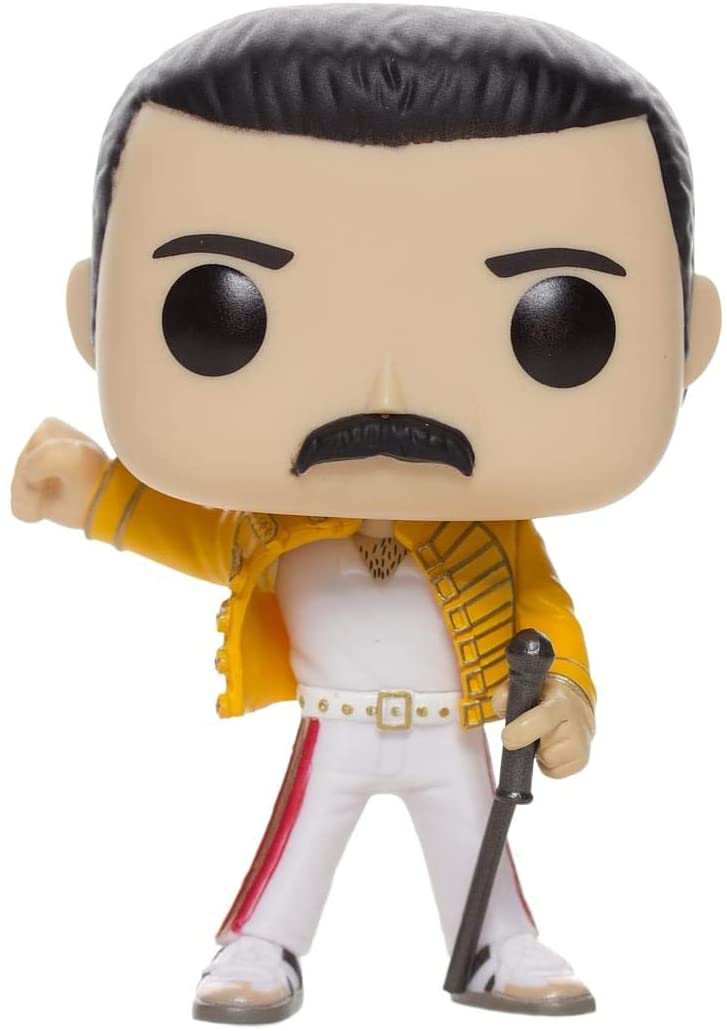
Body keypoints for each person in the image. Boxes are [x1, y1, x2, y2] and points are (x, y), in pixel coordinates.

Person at [10, 5, 720, 1024]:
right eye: (219, 308)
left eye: (557, 320)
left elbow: (541, 608)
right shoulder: (279, 527)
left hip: (451, 727)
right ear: (95, 315)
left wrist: (566, 690)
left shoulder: (490, 540)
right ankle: (259, 946)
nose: (386, 394)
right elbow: (202, 538)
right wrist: (94, 492)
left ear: (688, 338)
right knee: (300, 841)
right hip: (336, 719)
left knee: (477, 844)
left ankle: (498, 946)